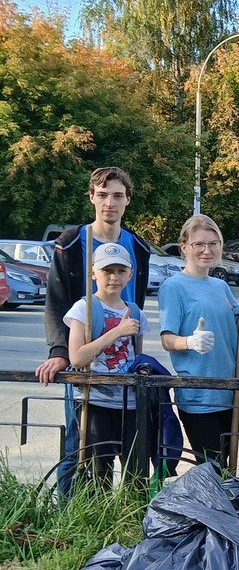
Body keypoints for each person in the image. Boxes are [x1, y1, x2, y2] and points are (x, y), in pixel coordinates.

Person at [35, 167, 152, 494]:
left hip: (124, 365)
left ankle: (120, 515)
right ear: (92, 197)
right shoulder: (72, 243)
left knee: (126, 449)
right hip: (86, 359)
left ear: (128, 200)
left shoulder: (137, 247)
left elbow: (137, 303)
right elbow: (56, 301)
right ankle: (69, 518)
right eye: (102, 195)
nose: (109, 203)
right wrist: (60, 353)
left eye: (117, 195)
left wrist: (137, 354)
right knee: (79, 445)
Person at [62, 243, 149, 486]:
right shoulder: (84, 309)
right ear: (93, 273)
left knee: (135, 469)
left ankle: (133, 517)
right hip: (95, 402)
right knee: (99, 469)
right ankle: (99, 518)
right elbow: (77, 358)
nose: (114, 277)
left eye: (121, 271)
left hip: (130, 403)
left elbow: (136, 357)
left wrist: (142, 369)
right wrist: (117, 332)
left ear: (130, 274)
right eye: (107, 270)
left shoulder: (135, 312)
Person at [159, 214, 239, 467]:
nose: (207, 250)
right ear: (184, 247)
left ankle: (225, 508)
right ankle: (208, 508)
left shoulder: (220, 286)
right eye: (199, 244)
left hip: (230, 392)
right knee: (211, 468)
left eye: (214, 243)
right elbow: (167, 339)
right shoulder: (174, 287)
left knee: (227, 467)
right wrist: (189, 342)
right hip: (199, 395)